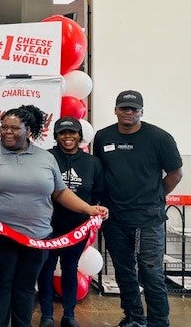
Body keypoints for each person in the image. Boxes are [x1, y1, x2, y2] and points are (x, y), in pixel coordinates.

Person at [0, 105, 108, 327]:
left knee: (26, 285)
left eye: (14, 128)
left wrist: (89, 209)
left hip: (37, 237)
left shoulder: (45, 158)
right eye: (4, 127)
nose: (7, 132)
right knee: (2, 283)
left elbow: (60, 192)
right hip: (0, 235)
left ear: (29, 130)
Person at [93, 90, 183, 327]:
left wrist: (155, 196)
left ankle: (158, 321)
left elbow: (175, 174)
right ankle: (133, 317)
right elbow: (101, 173)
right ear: (115, 110)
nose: (128, 112)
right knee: (124, 272)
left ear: (141, 111)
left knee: (151, 273)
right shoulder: (103, 137)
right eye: (124, 108)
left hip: (148, 219)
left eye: (134, 109)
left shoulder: (160, 138)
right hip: (115, 219)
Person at [37, 117, 104, 327]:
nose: (68, 137)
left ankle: (69, 315)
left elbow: (97, 193)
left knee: (70, 269)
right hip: (48, 227)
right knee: (46, 270)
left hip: (76, 228)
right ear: (56, 136)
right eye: (63, 133)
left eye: (72, 133)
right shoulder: (46, 158)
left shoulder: (92, 163)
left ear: (79, 136)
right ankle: (47, 315)